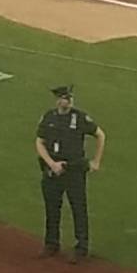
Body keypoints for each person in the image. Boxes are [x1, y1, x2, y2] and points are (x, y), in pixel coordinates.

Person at [34, 85, 103, 262]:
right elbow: (40, 142)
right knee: (52, 208)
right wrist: (51, 163)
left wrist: (96, 161)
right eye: (64, 98)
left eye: (69, 98)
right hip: (52, 170)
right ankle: (51, 243)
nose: (67, 101)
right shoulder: (48, 117)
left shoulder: (79, 118)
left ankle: (82, 247)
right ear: (58, 100)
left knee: (78, 208)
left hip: (74, 170)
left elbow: (100, 135)